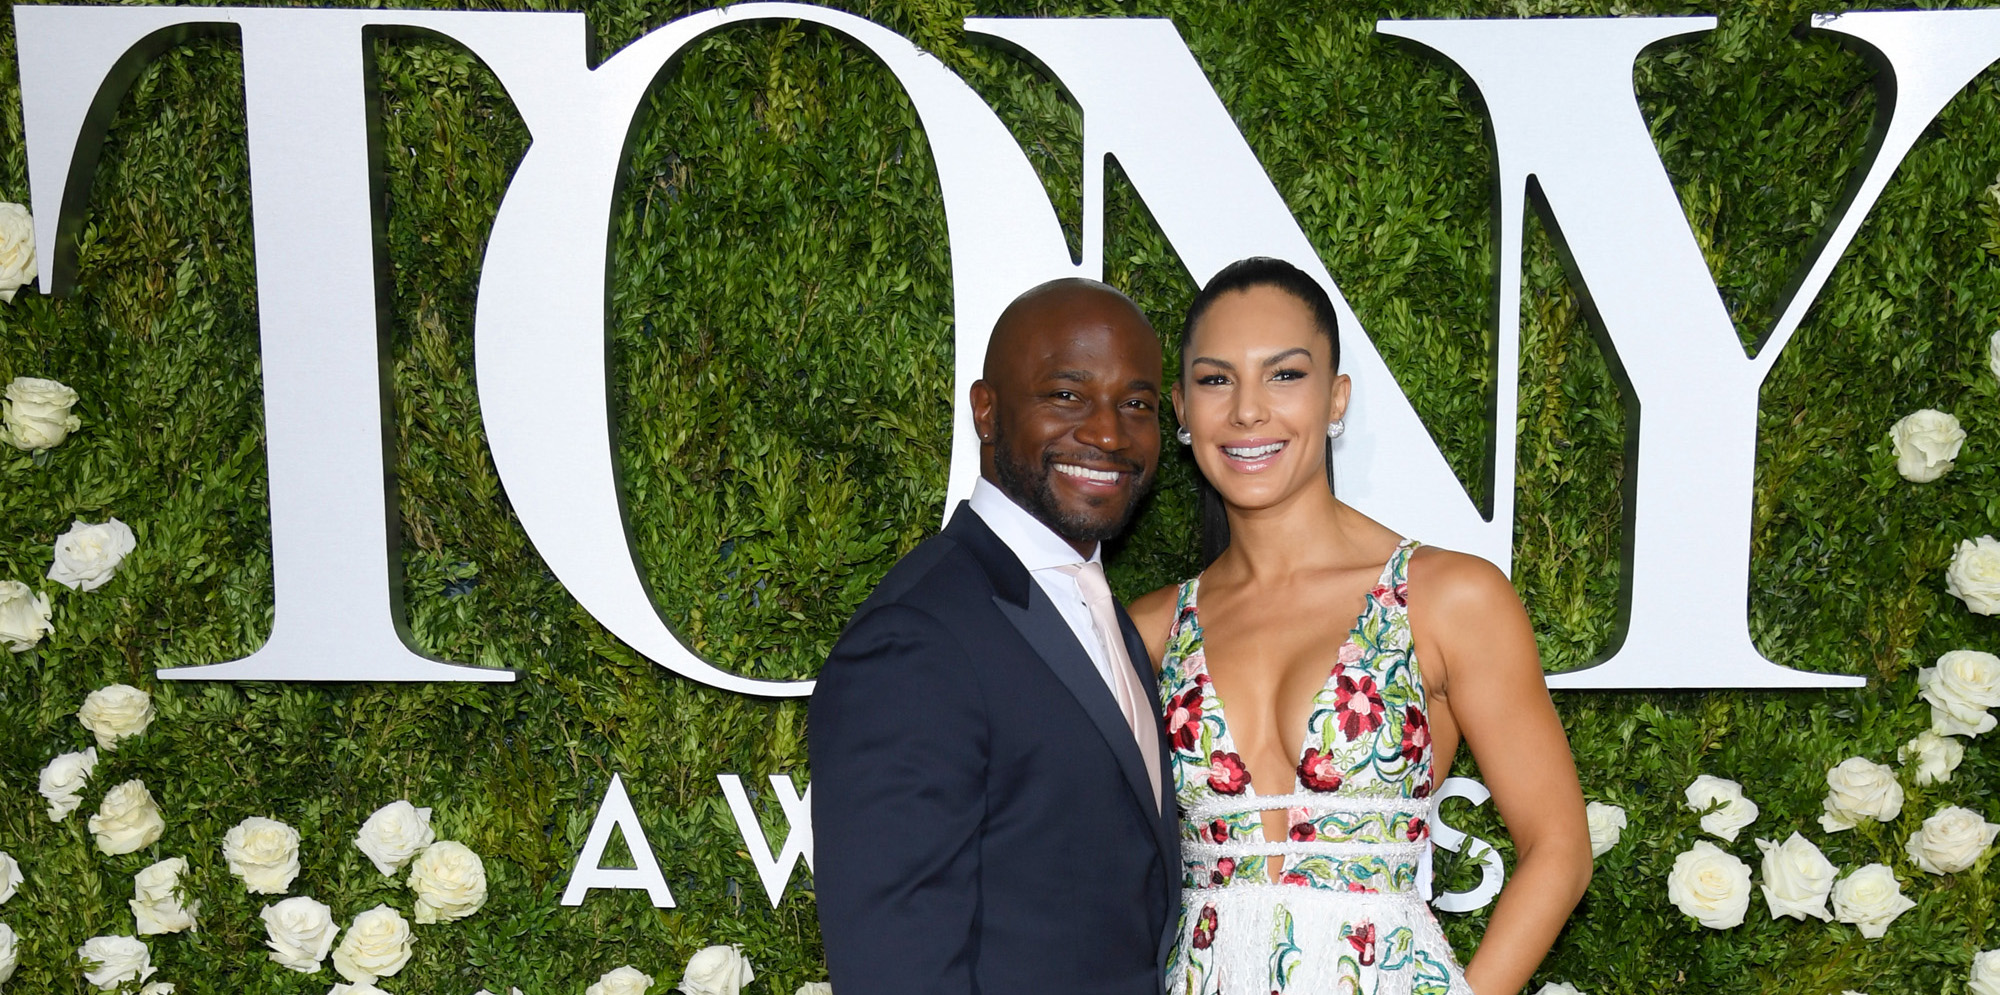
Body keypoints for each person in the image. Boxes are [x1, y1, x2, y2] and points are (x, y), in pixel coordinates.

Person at [1129, 257, 1591, 995]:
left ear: (1335, 397)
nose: (1249, 410)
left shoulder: (1447, 597)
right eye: (1217, 380)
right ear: (1182, 408)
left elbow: (1559, 847)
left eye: (1285, 375)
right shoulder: (1148, 630)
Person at [810, 278, 1180, 995]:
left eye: (1136, 404)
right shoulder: (917, 639)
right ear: (987, 410)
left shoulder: (1097, 603)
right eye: (1067, 395)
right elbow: (898, 971)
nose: (1108, 432)